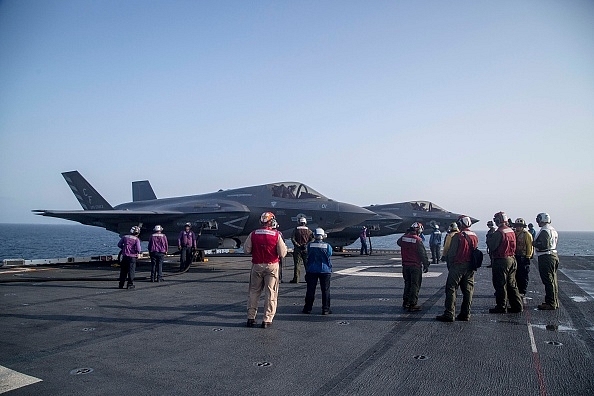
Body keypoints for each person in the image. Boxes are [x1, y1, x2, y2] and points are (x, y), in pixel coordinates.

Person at [244, 212, 288, 328]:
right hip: (272, 266)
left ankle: (250, 317)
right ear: (272, 221)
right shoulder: (276, 235)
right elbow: (282, 253)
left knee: (254, 292)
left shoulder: (253, 234)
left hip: (257, 265)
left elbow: (246, 250)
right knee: (271, 293)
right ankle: (267, 320)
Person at [436, 216, 478, 322]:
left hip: (458, 266)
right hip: (470, 267)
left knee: (451, 288)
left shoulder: (458, 236)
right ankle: (466, 314)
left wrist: (450, 265)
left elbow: (452, 253)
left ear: (460, 224)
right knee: (468, 291)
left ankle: (449, 314)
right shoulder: (474, 235)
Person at [486, 212, 522, 314]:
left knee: (500, 284)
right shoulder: (511, 230)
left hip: (501, 260)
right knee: (512, 284)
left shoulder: (499, 232)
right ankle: (517, 306)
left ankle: (501, 306)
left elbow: (492, 246)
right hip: (512, 259)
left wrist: (490, 238)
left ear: (498, 220)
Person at [397, 223, 430, 312]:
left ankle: (405, 302)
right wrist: (426, 264)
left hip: (405, 266)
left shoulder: (404, 238)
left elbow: (398, 243)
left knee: (407, 283)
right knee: (415, 285)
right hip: (415, 266)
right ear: (418, 230)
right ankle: (412, 304)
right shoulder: (418, 240)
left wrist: (406, 233)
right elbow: (422, 254)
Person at [302, 228, 333, 315]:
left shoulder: (310, 245)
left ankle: (308, 308)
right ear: (323, 236)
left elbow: (307, 253)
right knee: (325, 290)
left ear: (314, 236)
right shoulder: (327, 246)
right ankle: (326, 309)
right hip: (325, 270)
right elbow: (329, 254)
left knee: (310, 290)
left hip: (312, 270)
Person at [533, 212, 560, 310]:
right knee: (553, 280)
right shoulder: (552, 230)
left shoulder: (545, 231)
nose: (538, 222)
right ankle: (554, 301)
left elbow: (544, 245)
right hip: (553, 255)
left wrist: (534, 243)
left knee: (548, 280)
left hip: (546, 257)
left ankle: (551, 303)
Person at [513, 218, 533, 296]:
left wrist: (528, 256)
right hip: (516, 256)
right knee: (516, 274)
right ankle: (517, 289)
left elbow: (529, 246)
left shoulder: (526, 234)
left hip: (523, 257)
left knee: (523, 275)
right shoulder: (514, 233)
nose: (518, 227)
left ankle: (522, 291)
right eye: (517, 226)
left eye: (520, 226)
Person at [290, 217, 313, 283]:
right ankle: (309, 278)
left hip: (297, 249)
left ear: (299, 222)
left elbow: (293, 239)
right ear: (305, 222)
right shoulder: (309, 230)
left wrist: (298, 245)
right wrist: (306, 245)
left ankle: (296, 279)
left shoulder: (296, 230)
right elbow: (312, 239)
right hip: (305, 249)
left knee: (297, 265)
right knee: (307, 264)